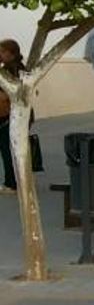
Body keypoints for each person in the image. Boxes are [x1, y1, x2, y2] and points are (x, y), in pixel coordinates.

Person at [0, 38, 26, 192]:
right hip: (14, 115)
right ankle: (17, 181)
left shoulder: (11, 70)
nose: (1, 54)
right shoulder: (18, 68)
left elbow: (9, 94)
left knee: (7, 149)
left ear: (12, 54)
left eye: (3, 52)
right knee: (13, 149)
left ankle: (11, 183)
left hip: (9, 115)